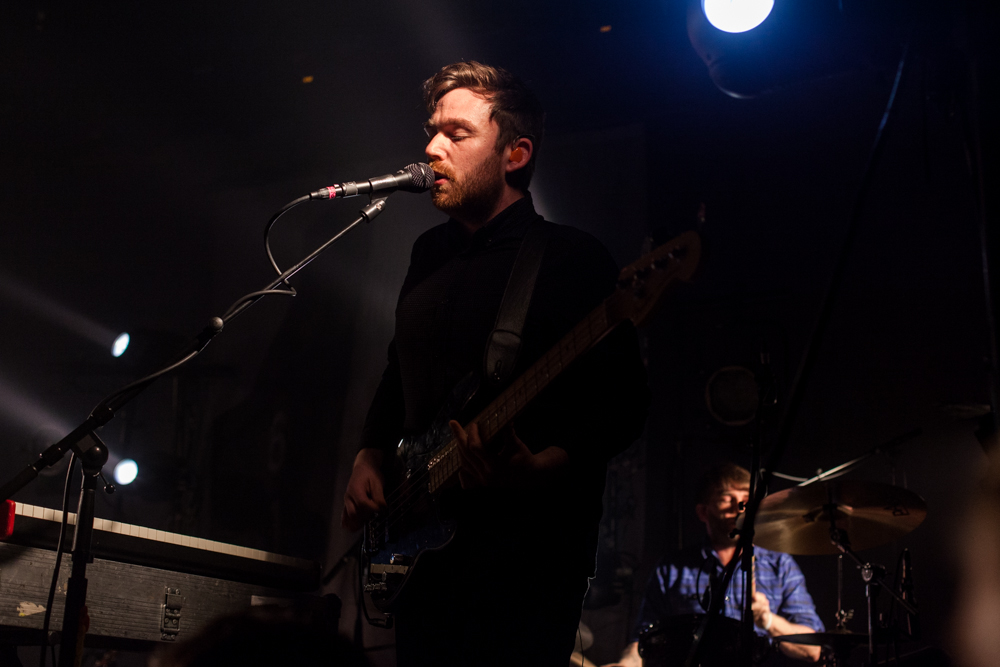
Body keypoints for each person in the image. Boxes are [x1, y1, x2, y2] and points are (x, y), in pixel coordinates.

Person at [340, 61, 649, 666]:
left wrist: (541, 467)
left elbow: (624, 406)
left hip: (528, 562)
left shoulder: (570, 258)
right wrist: (369, 452)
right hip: (422, 551)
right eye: (432, 130)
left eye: (457, 134)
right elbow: (399, 370)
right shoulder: (427, 252)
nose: (431, 148)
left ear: (515, 153)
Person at [605, 464, 824, 666]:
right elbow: (643, 641)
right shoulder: (672, 568)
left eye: (747, 499)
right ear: (703, 512)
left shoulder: (780, 564)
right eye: (727, 498)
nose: (739, 507)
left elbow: (813, 649)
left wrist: (768, 621)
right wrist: (625, 664)